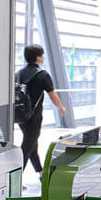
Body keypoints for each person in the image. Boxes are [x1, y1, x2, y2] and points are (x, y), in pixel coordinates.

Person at [16, 44, 66, 179]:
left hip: (21, 115)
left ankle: (41, 173)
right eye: (42, 54)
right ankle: (15, 179)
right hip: (34, 116)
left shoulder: (18, 73)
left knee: (31, 142)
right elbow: (52, 95)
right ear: (38, 57)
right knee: (27, 145)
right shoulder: (42, 74)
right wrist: (61, 107)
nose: (43, 57)